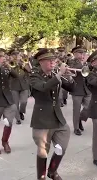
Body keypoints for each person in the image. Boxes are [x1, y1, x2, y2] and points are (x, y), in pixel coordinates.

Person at [29, 48, 75, 180]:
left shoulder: (54, 74)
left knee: (62, 146)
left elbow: (71, 88)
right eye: (49, 60)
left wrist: (69, 77)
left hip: (57, 117)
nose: (53, 62)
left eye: (54, 60)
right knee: (43, 151)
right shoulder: (34, 76)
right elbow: (43, 87)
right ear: (41, 62)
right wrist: (59, 75)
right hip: (42, 119)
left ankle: (52, 171)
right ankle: (41, 177)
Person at [68, 46, 91, 135]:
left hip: (87, 89)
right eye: (80, 53)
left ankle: (80, 119)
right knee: (76, 110)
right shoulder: (72, 61)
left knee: (88, 107)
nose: (82, 55)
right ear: (75, 54)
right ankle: (76, 128)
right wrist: (83, 62)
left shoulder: (86, 63)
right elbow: (74, 70)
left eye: (83, 53)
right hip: (77, 89)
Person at [8, 49, 31, 124]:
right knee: (15, 103)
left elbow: (30, 70)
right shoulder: (10, 63)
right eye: (14, 55)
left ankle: (21, 112)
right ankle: (18, 119)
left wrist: (23, 64)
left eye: (17, 55)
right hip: (14, 86)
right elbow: (9, 73)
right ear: (12, 56)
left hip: (24, 85)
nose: (16, 56)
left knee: (24, 101)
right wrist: (12, 65)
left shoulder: (24, 62)